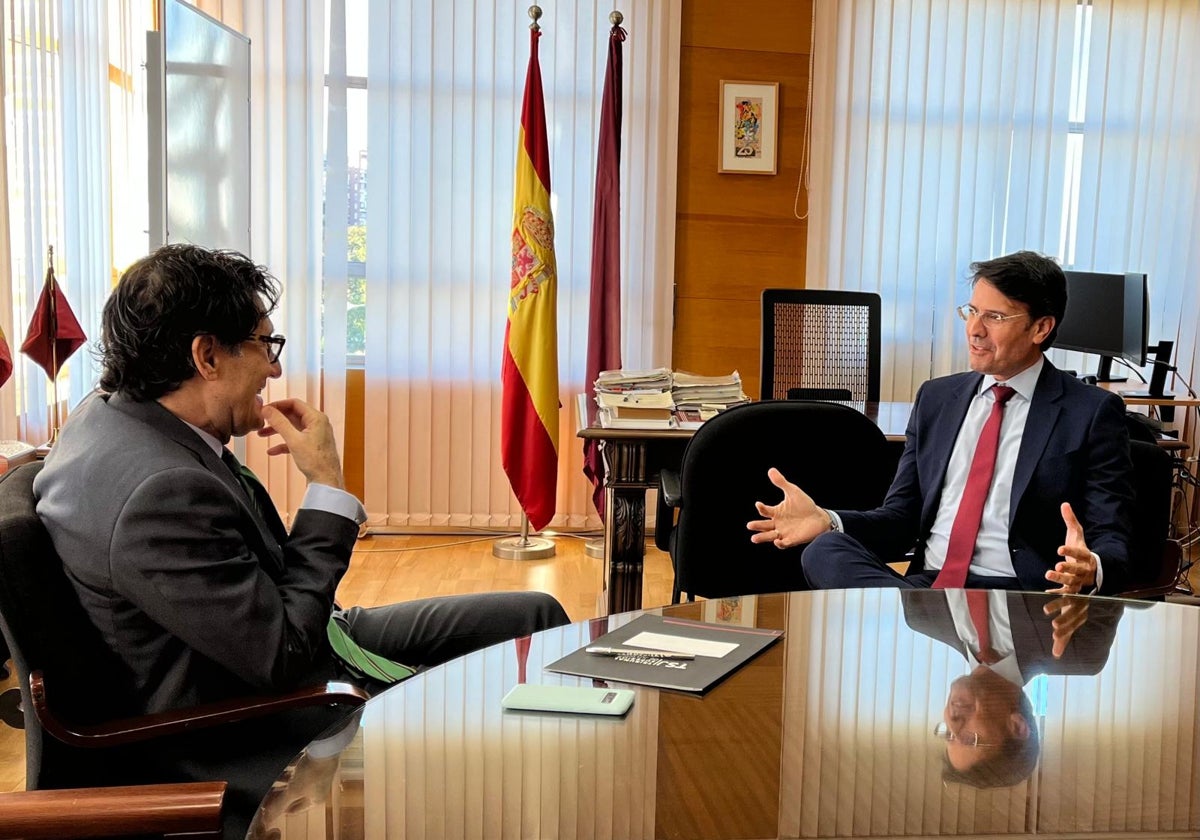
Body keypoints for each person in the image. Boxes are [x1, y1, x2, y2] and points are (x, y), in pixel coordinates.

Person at [33, 243, 570, 838]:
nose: (274, 370)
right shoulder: (160, 492)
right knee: (492, 738)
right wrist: (327, 488)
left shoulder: (111, 417)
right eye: (266, 344)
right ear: (206, 355)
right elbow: (281, 655)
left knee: (536, 615)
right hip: (253, 729)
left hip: (287, 644)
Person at [748, 250, 1135, 595]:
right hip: (930, 583)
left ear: (1041, 328)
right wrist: (827, 520)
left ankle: (909, 618)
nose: (974, 329)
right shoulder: (937, 399)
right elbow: (900, 521)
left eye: (994, 317)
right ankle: (920, 612)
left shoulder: (1091, 412)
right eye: (971, 311)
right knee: (826, 549)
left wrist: (1090, 569)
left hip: (1019, 594)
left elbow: (1112, 537)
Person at [903, 589, 1123, 787]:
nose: (953, 722)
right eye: (970, 738)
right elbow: (1118, 569)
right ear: (1017, 726)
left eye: (949, 734)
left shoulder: (921, 613)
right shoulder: (1081, 650)